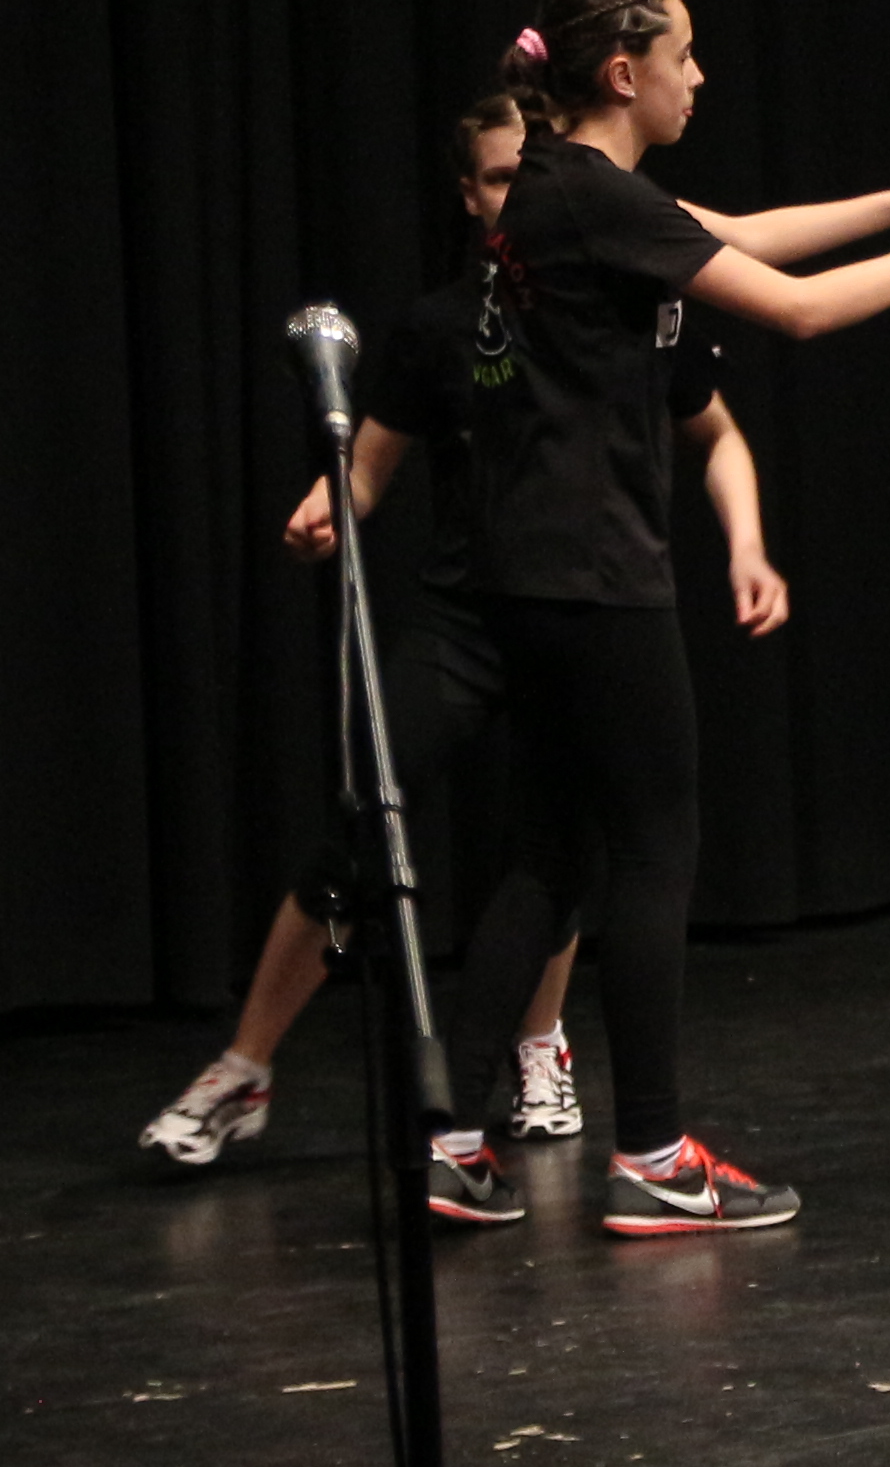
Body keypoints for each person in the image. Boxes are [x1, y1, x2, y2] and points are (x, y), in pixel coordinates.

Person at [441, 0, 890, 1233]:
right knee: (656, 847)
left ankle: (446, 1142)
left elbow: (742, 234)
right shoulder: (593, 195)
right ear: (625, 74)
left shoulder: (561, 186)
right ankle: (654, 1158)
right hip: (598, 576)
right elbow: (799, 312)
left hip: (531, 574)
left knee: (552, 851)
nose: (700, 77)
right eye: (685, 56)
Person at [141, 78, 599, 1176]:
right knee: (365, 822)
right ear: (468, 195)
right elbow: (369, 469)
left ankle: (541, 1045)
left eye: (530, 173)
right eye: (498, 178)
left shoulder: (598, 303)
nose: (516, 194)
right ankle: (246, 1067)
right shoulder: (438, 327)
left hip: (574, 609)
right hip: (463, 618)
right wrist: (329, 504)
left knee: (557, 835)